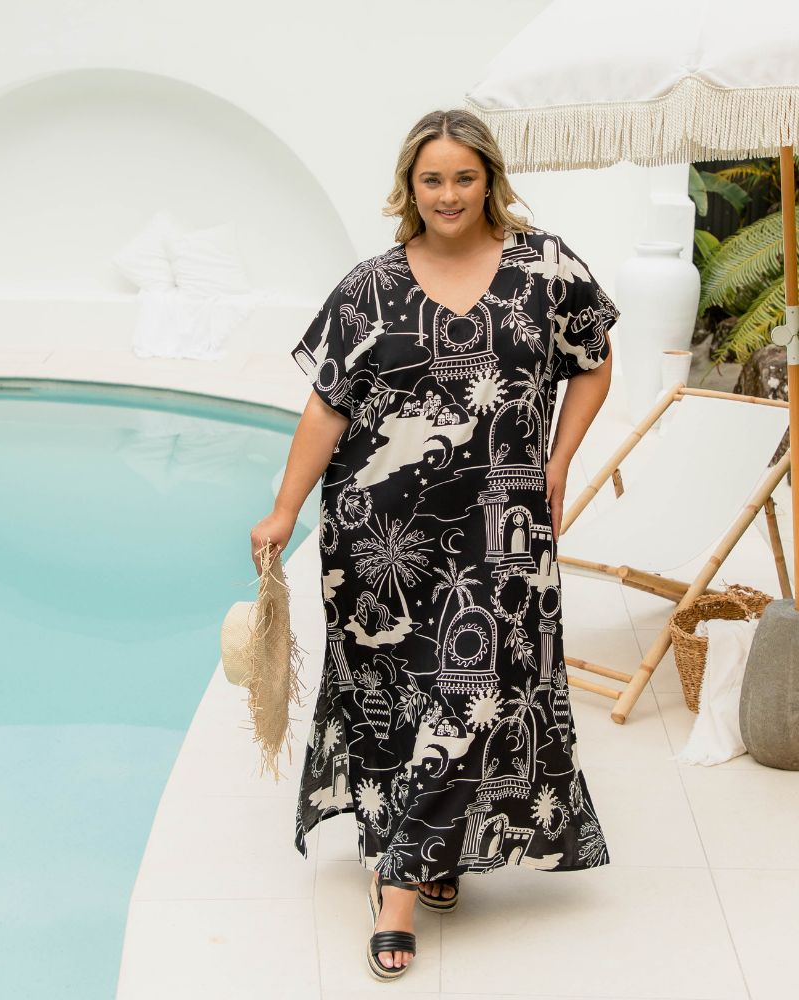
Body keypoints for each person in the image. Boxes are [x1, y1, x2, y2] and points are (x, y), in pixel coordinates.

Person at [250, 108, 618, 981]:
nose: (448, 195)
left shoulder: (546, 267)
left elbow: (594, 361)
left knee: (477, 691)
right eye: (431, 180)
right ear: (408, 187)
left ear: (489, 178)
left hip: (504, 536)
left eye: (463, 177)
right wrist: (283, 512)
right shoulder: (368, 288)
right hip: (383, 541)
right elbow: (328, 407)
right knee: (402, 697)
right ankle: (421, 867)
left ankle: (403, 883)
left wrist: (557, 463)